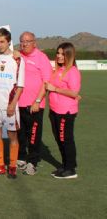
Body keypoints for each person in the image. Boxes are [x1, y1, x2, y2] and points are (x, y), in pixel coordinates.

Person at [0, 28, 24, 179]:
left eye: (2, 42)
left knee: (12, 136)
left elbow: (20, 86)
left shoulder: (18, 59)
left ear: (9, 41)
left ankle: (13, 166)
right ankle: (0, 166)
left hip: (9, 105)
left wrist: (12, 105)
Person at [17, 31, 52, 176]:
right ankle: (21, 157)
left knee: (34, 135)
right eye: (22, 41)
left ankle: (33, 162)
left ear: (34, 42)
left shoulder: (41, 58)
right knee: (20, 134)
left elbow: (46, 83)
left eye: (28, 41)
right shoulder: (18, 56)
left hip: (35, 105)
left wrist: (37, 101)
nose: (25, 44)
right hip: (19, 103)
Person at [46, 42, 81, 179]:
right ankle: (65, 165)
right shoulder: (58, 70)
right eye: (58, 53)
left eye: (63, 54)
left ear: (69, 55)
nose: (59, 56)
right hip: (54, 110)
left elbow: (74, 92)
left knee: (66, 139)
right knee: (59, 139)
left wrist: (54, 89)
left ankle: (71, 169)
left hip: (65, 112)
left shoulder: (72, 71)